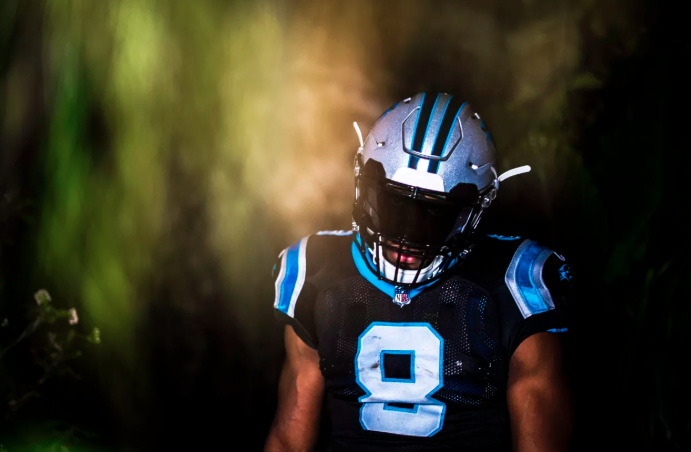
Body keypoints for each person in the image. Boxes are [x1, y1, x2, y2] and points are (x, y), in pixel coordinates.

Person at [264, 92, 573, 452]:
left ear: (474, 211)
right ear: (363, 184)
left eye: (433, 215)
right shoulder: (314, 270)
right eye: (394, 205)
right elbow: (289, 439)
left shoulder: (517, 282)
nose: (407, 234)